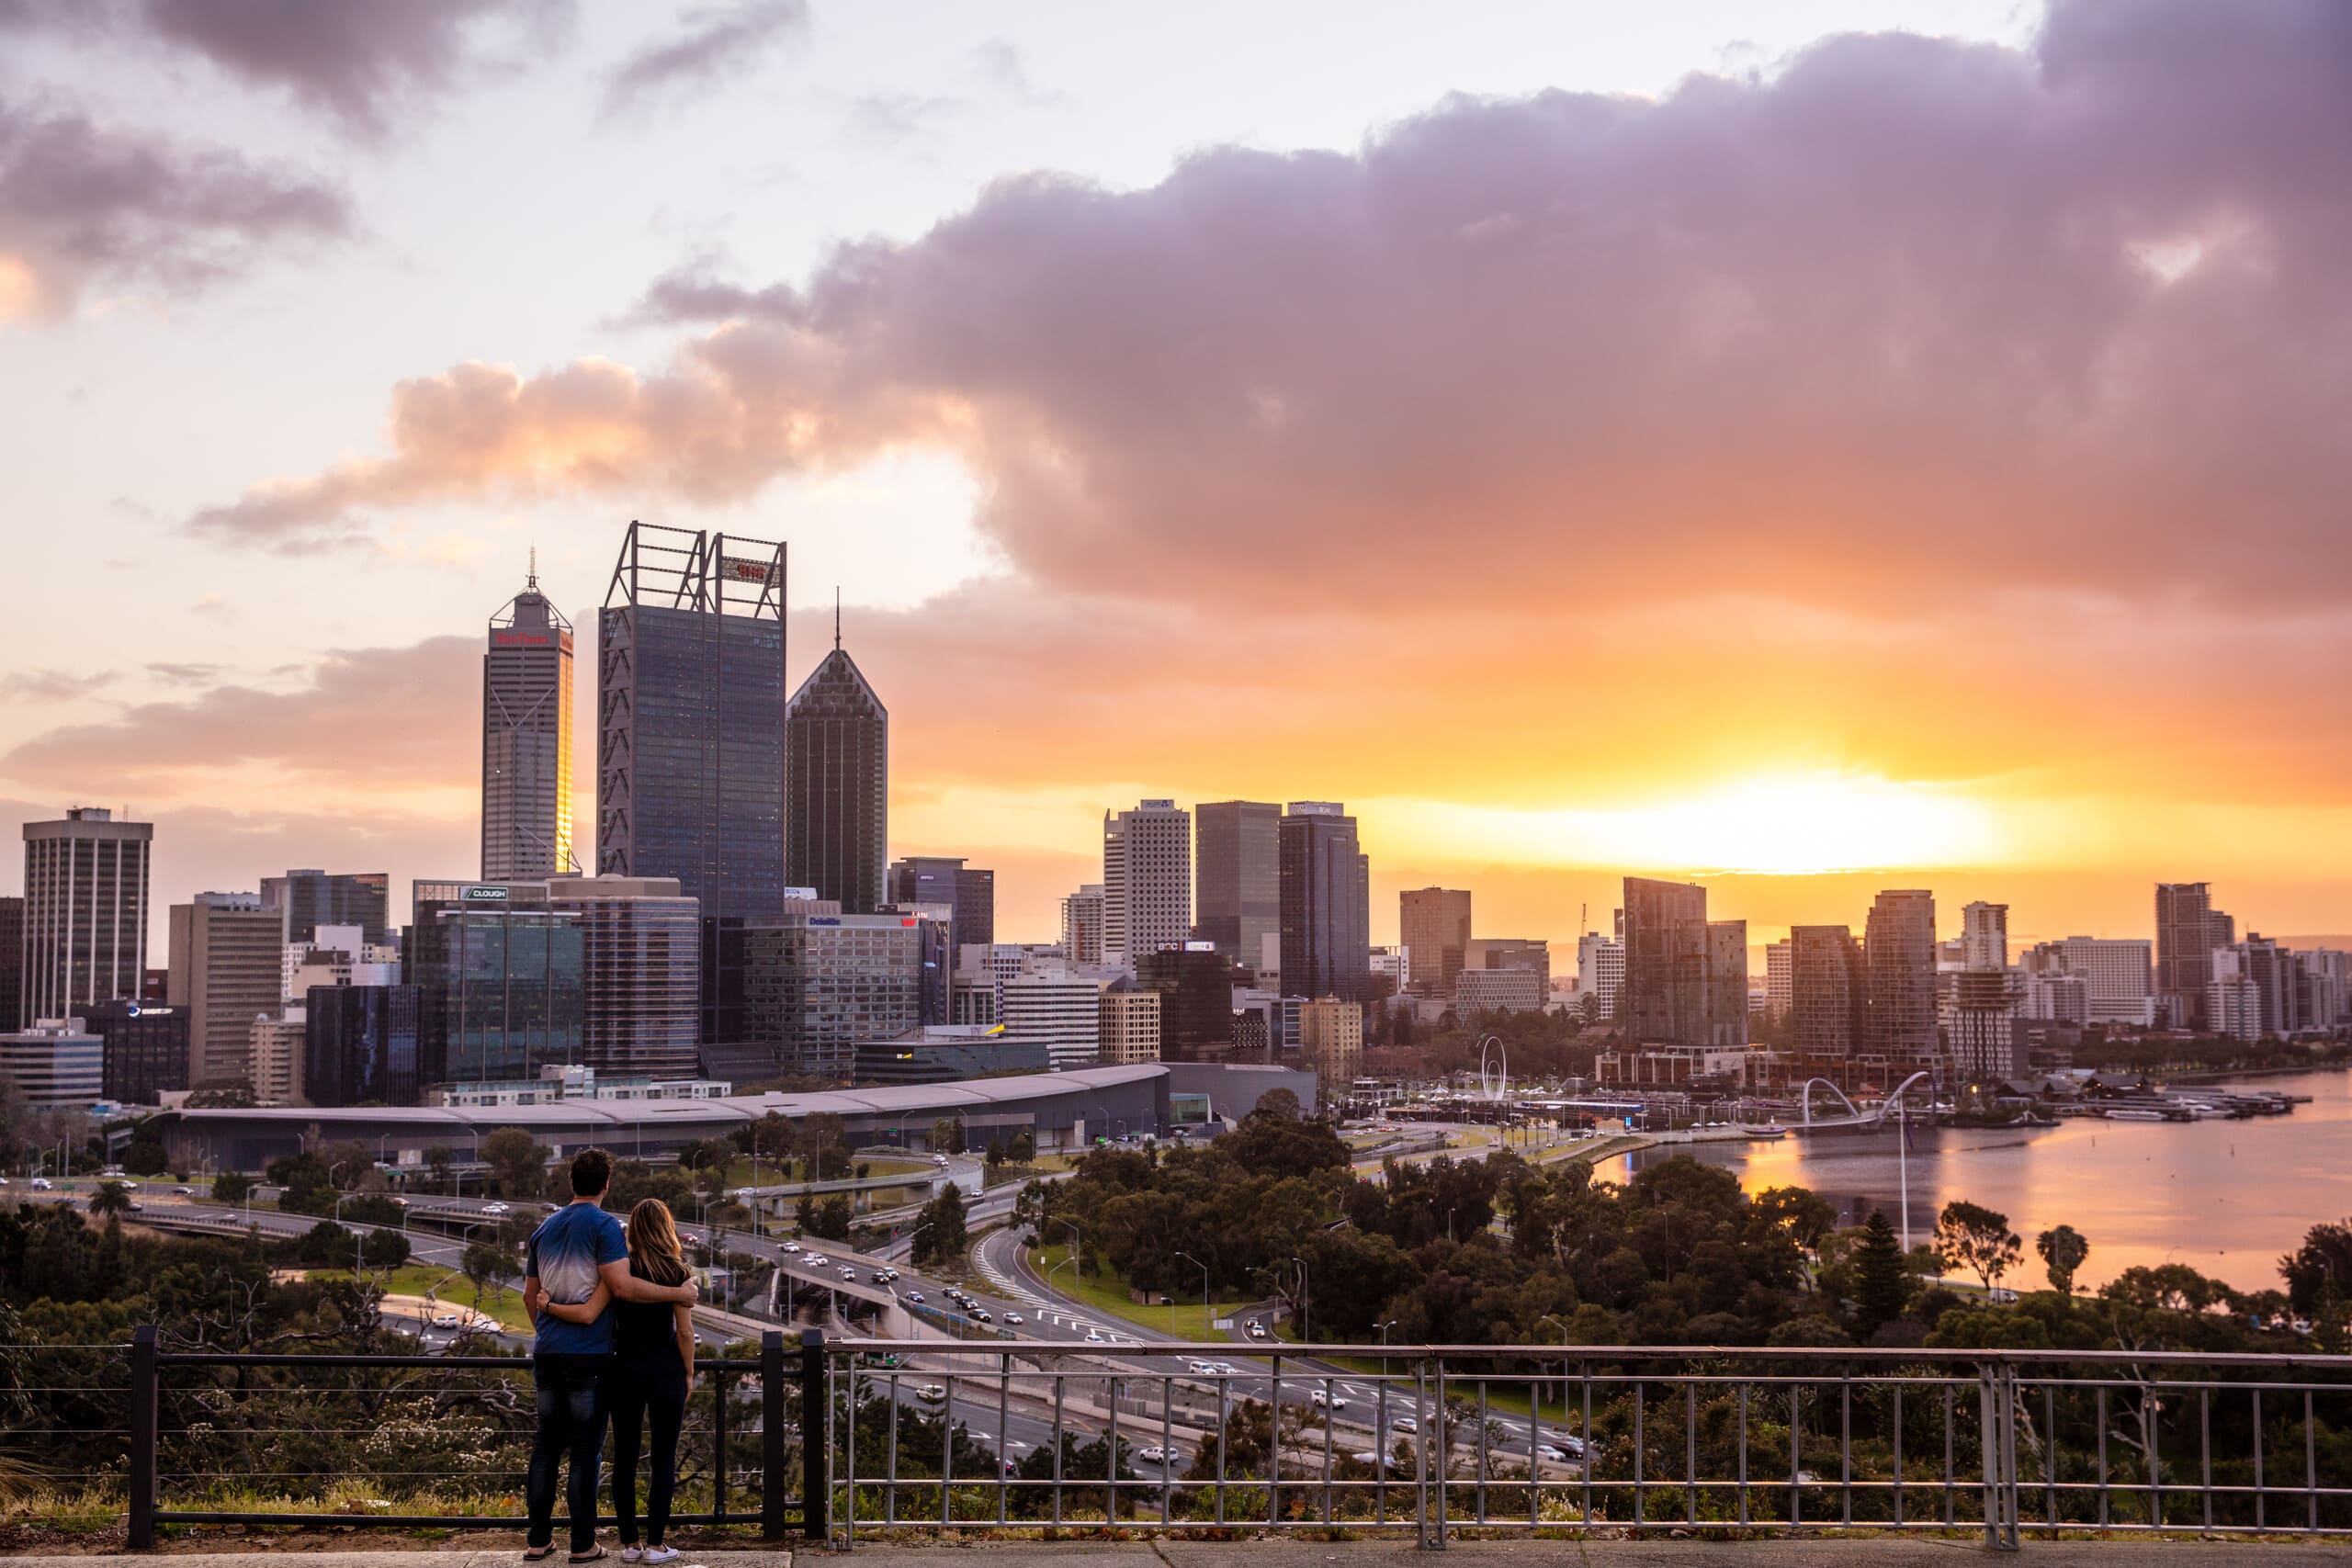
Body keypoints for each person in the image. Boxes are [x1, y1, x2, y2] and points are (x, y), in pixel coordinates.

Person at [519, 1149, 698, 1563]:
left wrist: (548, 1327)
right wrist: (679, 1292)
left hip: (549, 1352)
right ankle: (584, 1544)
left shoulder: (544, 1228)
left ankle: (538, 1540)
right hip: (591, 1357)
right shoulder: (605, 1227)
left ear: (571, 1182)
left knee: (546, 1447)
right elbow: (622, 1287)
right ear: (606, 1184)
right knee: (586, 1451)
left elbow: (531, 1296)